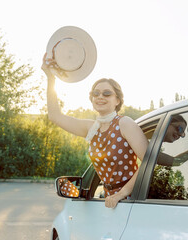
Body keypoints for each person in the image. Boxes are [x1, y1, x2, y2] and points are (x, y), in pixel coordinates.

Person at [42, 54, 148, 208]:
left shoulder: (125, 123)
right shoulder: (92, 128)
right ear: (91, 98)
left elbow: (149, 162)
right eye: (95, 93)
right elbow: (55, 116)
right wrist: (50, 77)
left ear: (117, 100)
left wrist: (121, 193)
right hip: (109, 199)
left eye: (107, 93)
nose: (100, 97)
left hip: (132, 198)